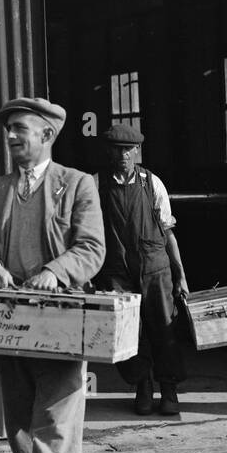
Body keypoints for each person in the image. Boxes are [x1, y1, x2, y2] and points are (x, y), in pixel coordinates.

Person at [0, 97, 105, 453]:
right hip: (8, 324)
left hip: (61, 323)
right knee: (18, 425)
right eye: (8, 128)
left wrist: (57, 269)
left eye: (20, 129)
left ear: (47, 135)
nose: (11, 136)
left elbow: (92, 248)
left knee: (55, 420)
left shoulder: (77, 185)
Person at [94, 122, 189, 416]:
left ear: (137, 151)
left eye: (128, 149)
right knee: (128, 331)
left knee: (164, 327)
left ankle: (169, 389)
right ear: (109, 151)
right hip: (117, 271)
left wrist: (181, 276)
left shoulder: (152, 182)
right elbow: (87, 233)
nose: (123, 155)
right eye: (117, 149)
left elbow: (169, 232)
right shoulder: (97, 183)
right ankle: (143, 387)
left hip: (155, 267)